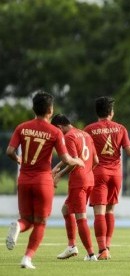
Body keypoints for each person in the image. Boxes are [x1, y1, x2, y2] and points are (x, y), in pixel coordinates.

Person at [5, 91, 85, 269]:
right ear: (50, 110)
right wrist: (77, 160)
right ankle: (27, 258)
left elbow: (10, 151)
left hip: (24, 180)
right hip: (43, 181)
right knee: (40, 222)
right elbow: (66, 159)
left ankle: (18, 225)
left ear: (34, 108)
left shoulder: (22, 127)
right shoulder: (55, 132)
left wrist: (18, 160)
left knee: (26, 219)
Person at [84, 96, 130, 260]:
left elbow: (85, 154)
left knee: (99, 213)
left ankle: (103, 249)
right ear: (111, 112)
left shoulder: (89, 130)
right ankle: (107, 247)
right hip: (115, 174)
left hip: (99, 174)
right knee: (110, 210)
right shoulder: (120, 128)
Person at [51, 114, 99, 262]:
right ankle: (72, 245)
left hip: (79, 182)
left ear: (59, 127)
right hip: (89, 179)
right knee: (66, 209)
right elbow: (96, 160)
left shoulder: (69, 137)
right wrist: (87, 173)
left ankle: (91, 255)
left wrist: (60, 175)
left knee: (80, 217)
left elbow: (72, 161)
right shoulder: (85, 134)